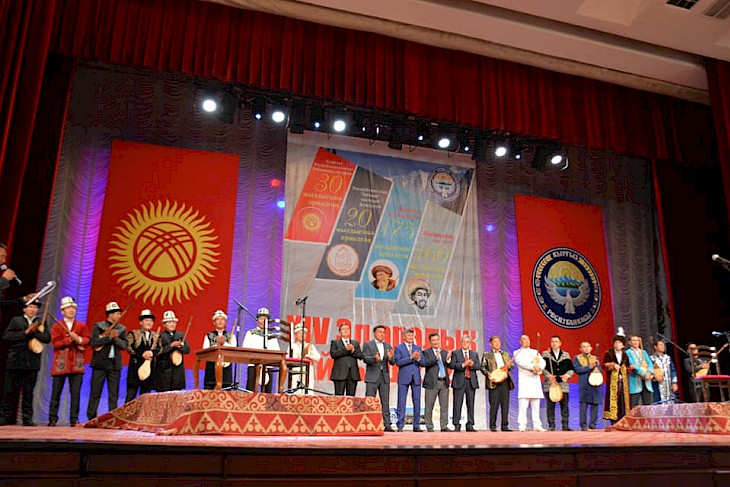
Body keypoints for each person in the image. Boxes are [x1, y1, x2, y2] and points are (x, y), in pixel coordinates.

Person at [0, 299, 50, 426]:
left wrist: (36, 332)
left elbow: (47, 338)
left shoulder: (41, 322)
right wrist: (26, 333)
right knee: (10, 391)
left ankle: (27, 419)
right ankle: (5, 417)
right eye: (30, 307)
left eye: (35, 307)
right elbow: (6, 336)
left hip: (32, 362)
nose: (33, 309)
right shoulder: (16, 320)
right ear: (24, 309)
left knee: (28, 392)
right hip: (15, 361)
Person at [48, 297, 89, 426]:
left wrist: (78, 339)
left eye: (73, 308)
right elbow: (55, 343)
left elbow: (87, 340)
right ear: (63, 311)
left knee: (75, 393)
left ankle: (74, 419)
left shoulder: (81, 325)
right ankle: (52, 418)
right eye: (68, 308)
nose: (71, 310)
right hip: (61, 363)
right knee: (56, 393)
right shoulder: (56, 326)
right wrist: (69, 340)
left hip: (77, 364)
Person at [87, 301, 128, 420]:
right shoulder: (99, 326)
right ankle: (91, 417)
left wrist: (116, 339)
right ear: (110, 314)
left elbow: (124, 346)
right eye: (116, 313)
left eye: (119, 313)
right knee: (95, 392)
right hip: (99, 364)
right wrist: (109, 338)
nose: (119, 316)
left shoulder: (121, 329)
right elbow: (94, 343)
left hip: (115, 364)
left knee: (113, 394)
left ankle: (112, 418)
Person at [362, 324, 395, 431]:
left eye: (384, 332)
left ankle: (387, 424)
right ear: (374, 333)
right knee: (370, 400)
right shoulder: (368, 344)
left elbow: (393, 362)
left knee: (385, 401)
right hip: (372, 376)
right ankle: (368, 424)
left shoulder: (388, 346)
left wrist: (391, 358)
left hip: (384, 376)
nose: (382, 334)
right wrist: (374, 358)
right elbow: (365, 358)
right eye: (380, 332)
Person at [242, 307, 280, 392]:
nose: (263, 321)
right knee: (251, 389)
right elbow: (245, 349)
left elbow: (277, 351)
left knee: (267, 391)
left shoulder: (271, 335)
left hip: (268, 365)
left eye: (265, 319)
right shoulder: (251, 333)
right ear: (257, 320)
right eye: (261, 319)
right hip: (253, 364)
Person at [513, 334, 546, 432]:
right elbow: (521, 363)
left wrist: (539, 367)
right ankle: (522, 425)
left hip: (535, 380)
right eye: (524, 340)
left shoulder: (535, 352)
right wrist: (533, 367)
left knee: (536, 405)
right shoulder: (517, 352)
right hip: (525, 381)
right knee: (523, 406)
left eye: (528, 339)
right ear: (520, 342)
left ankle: (537, 425)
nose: (526, 341)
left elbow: (543, 362)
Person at [481, 335, 514, 432]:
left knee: (505, 404)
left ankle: (505, 425)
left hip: (505, 382)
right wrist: (488, 374)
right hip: (494, 382)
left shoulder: (506, 354)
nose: (497, 343)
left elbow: (511, 366)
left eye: (498, 342)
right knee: (494, 405)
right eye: (495, 342)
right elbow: (482, 367)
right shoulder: (487, 355)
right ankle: (492, 425)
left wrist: (508, 367)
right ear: (490, 344)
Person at [124, 309, 159, 402]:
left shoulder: (156, 336)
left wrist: (151, 353)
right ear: (141, 322)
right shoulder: (133, 334)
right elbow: (129, 348)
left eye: (151, 321)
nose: (149, 323)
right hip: (135, 368)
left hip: (149, 369)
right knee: (131, 395)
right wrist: (142, 355)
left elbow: (160, 349)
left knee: (146, 395)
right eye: (146, 320)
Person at [394, 327, 424, 432]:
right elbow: (398, 362)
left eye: (412, 335)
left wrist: (418, 358)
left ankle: (416, 425)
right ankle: (400, 425)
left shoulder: (417, 348)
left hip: (416, 377)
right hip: (403, 377)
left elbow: (423, 363)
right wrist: (411, 357)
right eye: (409, 335)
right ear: (403, 336)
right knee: (401, 401)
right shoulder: (399, 348)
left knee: (417, 402)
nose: (411, 337)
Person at [421, 332, 452, 432]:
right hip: (432, 383)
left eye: (437, 340)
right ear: (430, 342)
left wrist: (448, 360)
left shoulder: (444, 352)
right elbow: (425, 363)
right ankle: (429, 426)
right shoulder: (426, 352)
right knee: (429, 406)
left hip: (444, 382)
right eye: (433, 340)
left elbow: (450, 366)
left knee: (444, 406)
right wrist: (436, 358)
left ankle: (444, 426)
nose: (436, 342)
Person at [542, 335, 574, 431]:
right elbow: (542, 368)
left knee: (564, 406)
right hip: (550, 384)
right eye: (552, 341)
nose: (554, 343)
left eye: (556, 341)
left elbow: (571, 369)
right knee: (550, 406)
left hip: (563, 384)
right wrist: (548, 376)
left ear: (560, 343)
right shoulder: (546, 354)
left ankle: (565, 425)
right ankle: (551, 425)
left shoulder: (566, 355)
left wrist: (567, 376)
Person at [450, 334, 479, 432]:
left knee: (471, 404)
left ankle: (470, 424)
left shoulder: (474, 354)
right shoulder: (455, 353)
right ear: (460, 342)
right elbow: (452, 365)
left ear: (470, 343)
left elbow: (478, 366)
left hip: (471, 382)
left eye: (467, 342)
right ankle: (456, 424)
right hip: (459, 382)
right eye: (463, 342)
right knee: (457, 404)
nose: (465, 343)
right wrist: (463, 364)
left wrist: (472, 365)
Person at [203, 310, 237, 390]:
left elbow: (234, 350)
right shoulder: (209, 336)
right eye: (218, 319)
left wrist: (224, 343)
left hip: (226, 369)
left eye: (222, 319)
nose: (220, 321)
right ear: (214, 322)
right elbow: (205, 351)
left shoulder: (231, 336)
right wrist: (217, 345)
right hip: (212, 369)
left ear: (225, 322)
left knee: (226, 391)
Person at [156, 310, 189, 392]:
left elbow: (187, 350)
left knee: (176, 394)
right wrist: (171, 345)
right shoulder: (160, 336)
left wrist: (180, 346)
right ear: (164, 324)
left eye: (174, 322)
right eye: (169, 322)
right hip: (164, 371)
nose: (172, 324)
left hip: (177, 371)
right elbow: (158, 351)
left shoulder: (181, 335)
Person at [573, 341, 602, 430]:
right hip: (584, 385)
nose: (586, 348)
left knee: (595, 405)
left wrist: (597, 368)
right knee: (583, 406)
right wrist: (588, 367)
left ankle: (593, 425)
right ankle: (583, 426)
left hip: (594, 384)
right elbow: (577, 369)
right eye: (584, 347)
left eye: (588, 346)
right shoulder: (577, 358)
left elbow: (600, 369)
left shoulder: (595, 358)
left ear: (591, 348)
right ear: (580, 349)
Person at [329, 322, 363, 396]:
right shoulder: (335, 342)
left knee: (351, 397)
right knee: (339, 397)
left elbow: (360, 356)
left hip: (353, 374)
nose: (346, 330)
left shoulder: (355, 343)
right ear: (340, 332)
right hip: (340, 374)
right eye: (343, 329)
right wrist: (345, 349)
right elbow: (333, 354)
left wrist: (353, 350)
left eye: (347, 329)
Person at [603, 334, 631, 424]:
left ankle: (622, 420)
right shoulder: (609, 353)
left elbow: (628, 367)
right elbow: (604, 365)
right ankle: (613, 420)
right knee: (614, 400)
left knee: (623, 400)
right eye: (616, 343)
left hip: (623, 380)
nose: (617, 344)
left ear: (623, 345)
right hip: (613, 381)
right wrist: (612, 365)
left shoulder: (625, 355)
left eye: (619, 343)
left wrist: (629, 369)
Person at [289, 322, 321, 393]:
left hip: (308, 370)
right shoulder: (292, 346)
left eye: (304, 333)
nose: (302, 335)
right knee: (295, 390)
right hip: (296, 370)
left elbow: (318, 357)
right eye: (300, 333)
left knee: (308, 389)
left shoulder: (310, 346)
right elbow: (288, 358)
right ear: (296, 335)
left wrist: (308, 356)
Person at [627, 335, 654, 407]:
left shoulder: (643, 352)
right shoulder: (627, 353)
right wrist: (644, 374)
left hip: (646, 382)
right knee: (634, 405)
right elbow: (632, 365)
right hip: (635, 381)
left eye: (637, 340)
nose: (636, 342)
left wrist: (649, 372)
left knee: (648, 405)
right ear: (629, 342)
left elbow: (650, 363)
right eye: (634, 340)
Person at [651, 340, 678, 404]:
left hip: (668, 383)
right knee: (659, 401)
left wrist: (674, 383)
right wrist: (654, 376)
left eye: (663, 345)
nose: (663, 347)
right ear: (655, 347)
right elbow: (650, 371)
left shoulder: (667, 358)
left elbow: (673, 371)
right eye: (660, 345)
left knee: (671, 400)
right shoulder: (652, 358)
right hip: (658, 384)